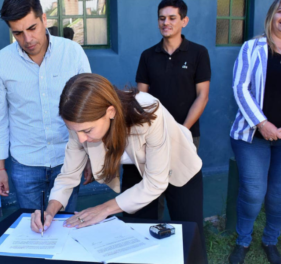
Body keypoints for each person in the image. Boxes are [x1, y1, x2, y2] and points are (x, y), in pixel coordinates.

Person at [30, 73, 207, 262]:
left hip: (178, 164)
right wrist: (50, 210)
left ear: (111, 112)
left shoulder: (147, 110)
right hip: (135, 166)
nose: (81, 138)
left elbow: (155, 182)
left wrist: (104, 208)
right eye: (76, 131)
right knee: (138, 233)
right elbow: (68, 175)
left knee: (190, 233)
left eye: (87, 131)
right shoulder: (79, 121)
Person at [0, 0, 91, 211]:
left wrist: (90, 156)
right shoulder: (1, 62)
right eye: (17, 33)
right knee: (32, 231)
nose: (27, 39)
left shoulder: (72, 53)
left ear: (44, 19)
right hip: (25, 163)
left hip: (68, 159)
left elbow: (89, 110)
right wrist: (0, 169)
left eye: (32, 28)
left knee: (65, 227)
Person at [228, 1, 281, 264]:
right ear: (272, 15)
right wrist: (262, 123)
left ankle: (270, 240)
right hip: (253, 136)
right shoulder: (253, 47)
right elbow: (240, 87)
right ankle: (243, 241)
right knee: (253, 191)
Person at [133, 0, 211, 220]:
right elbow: (142, 100)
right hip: (152, 136)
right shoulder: (148, 56)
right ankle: (151, 237)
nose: (165, 22)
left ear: (184, 21)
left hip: (187, 134)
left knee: (183, 188)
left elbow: (202, 96)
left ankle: (184, 242)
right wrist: (156, 131)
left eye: (172, 18)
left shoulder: (198, 53)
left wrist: (181, 130)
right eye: (161, 18)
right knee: (152, 190)